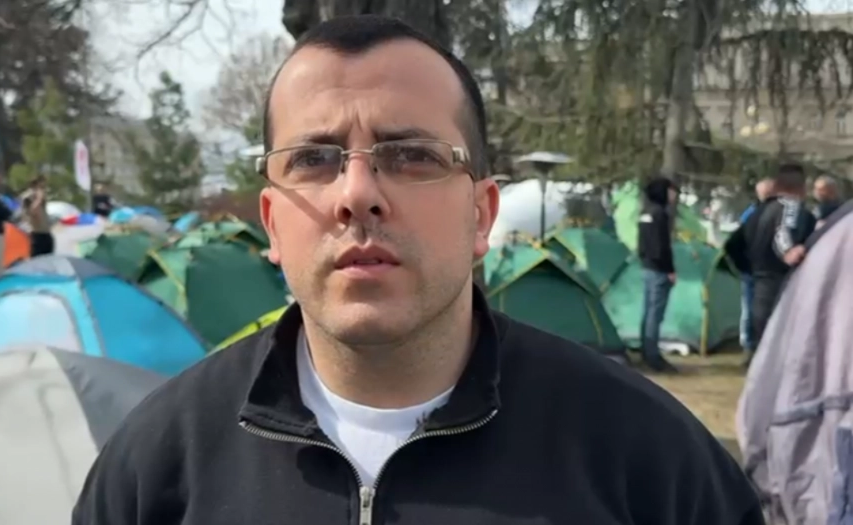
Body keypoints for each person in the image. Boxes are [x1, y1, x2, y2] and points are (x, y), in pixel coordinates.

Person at [73, 15, 764, 525]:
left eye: (412, 156)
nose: (357, 194)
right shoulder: (157, 466)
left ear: (481, 213)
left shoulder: (648, 460)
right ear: (272, 221)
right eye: (313, 159)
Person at [725, 163, 815, 365]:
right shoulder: (790, 206)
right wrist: (788, 252)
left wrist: (748, 269)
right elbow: (782, 231)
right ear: (800, 186)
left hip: (760, 281)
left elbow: (733, 244)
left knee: (765, 343)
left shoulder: (758, 211)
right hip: (782, 282)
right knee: (782, 345)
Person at [637, 176, 679, 373]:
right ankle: (653, 356)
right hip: (659, 270)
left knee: (648, 312)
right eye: (671, 191)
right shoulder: (660, 214)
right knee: (655, 314)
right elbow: (662, 246)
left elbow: (642, 244)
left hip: (647, 267)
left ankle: (646, 349)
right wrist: (669, 269)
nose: (674, 195)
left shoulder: (645, 212)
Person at [737, 178, 774, 354]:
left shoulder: (750, 213)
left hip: (757, 268)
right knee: (752, 307)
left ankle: (753, 344)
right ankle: (750, 344)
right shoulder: (753, 213)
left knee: (752, 307)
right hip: (757, 269)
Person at [21, 176, 54, 257]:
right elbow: (32, 211)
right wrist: (38, 199)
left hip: (46, 235)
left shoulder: (41, 201)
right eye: (41, 187)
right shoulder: (29, 197)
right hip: (37, 236)